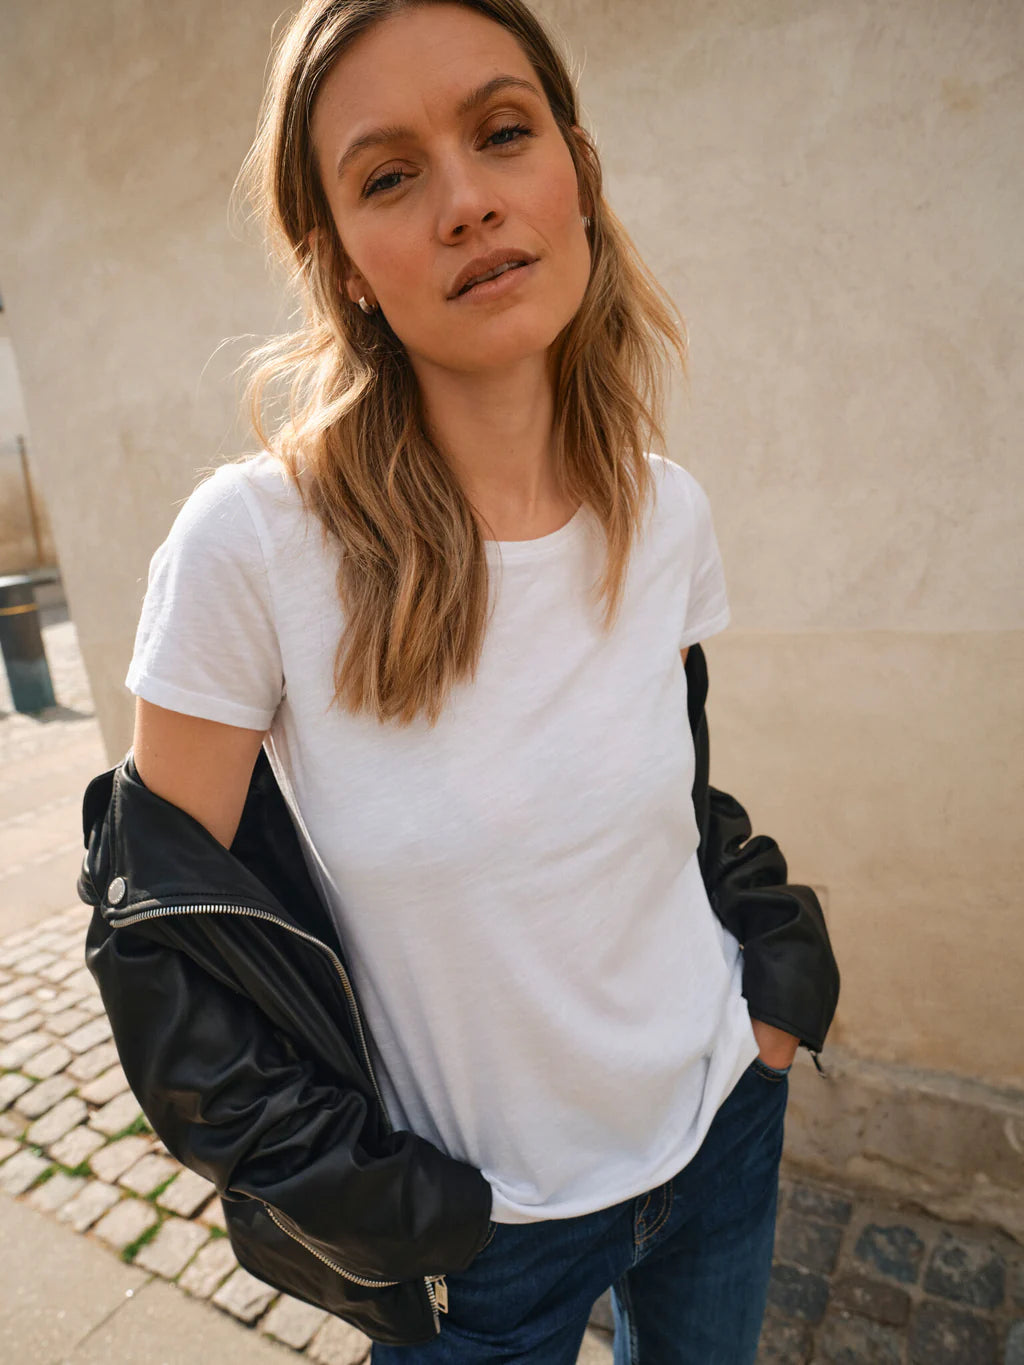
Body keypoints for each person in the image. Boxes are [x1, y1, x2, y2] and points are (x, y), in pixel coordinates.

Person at [79, 2, 840, 1362]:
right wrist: (385, 1211)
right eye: (389, 176)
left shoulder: (665, 513)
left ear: (577, 173)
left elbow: (672, 793)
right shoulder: (254, 546)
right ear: (346, 265)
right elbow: (159, 934)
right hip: (485, 1246)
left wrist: (772, 1004)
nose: (469, 203)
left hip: (721, 1135)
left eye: (503, 132)